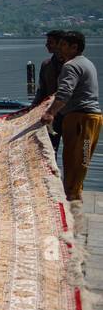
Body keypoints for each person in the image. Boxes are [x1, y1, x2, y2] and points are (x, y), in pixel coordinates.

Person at [41, 31, 101, 201]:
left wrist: (50, 113)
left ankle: (72, 198)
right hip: (92, 118)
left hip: (79, 118)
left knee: (74, 160)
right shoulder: (87, 63)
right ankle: (75, 195)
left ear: (74, 47)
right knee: (82, 160)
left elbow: (64, 93)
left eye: (64, 45)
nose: (60, 48)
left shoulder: (71, 65)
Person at [33, 30, 66, 151]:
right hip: (51, 116)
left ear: (61, 44)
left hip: (70, 114)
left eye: (50, 42)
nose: (46, 45)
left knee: (78, 152)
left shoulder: (73, 65)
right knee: (50, 149)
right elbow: (42, 90)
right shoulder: (46, 65)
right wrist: (33, 109)